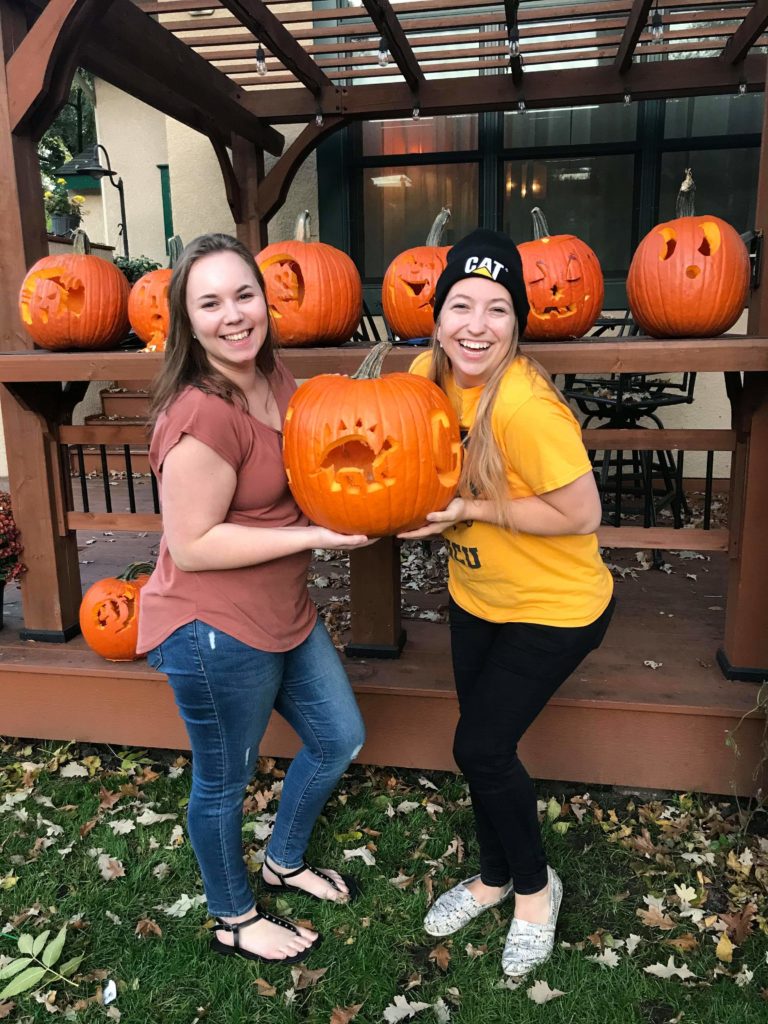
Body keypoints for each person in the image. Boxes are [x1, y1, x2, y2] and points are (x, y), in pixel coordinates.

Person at [137, 233, 371, 965]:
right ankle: (233, 916)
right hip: (213, 630)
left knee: (339, 737)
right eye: (210, 302)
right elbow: (196, 542)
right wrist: (315, 536)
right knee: (222, 782)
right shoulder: (201, 413)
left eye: (244, 295)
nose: (233, 315)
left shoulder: (274, 375)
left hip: (284, 615)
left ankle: (284, 860)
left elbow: (324, 449)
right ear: (187, 318)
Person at [400, 229, 615, 978]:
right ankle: (493, 876)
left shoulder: (525, 409)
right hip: (477, 595)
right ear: (437, 315)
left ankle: (532, 890)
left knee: (480, 748)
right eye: (461, 304)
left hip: (556, 607)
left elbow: (583, 514)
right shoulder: (425, 376)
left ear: (516, 323)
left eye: (497, 309)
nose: (476, 325)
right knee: (486, 751)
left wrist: (476, 506)